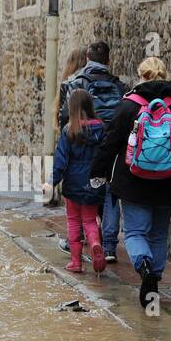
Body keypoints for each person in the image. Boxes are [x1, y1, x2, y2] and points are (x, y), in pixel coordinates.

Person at [89, 56, 171, 310]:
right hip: (168, 182)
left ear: (141, 76)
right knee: (159, 233)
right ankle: (156, 276)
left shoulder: (129, 106)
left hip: (133, 181)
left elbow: (110, 142)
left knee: (134, 232)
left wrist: (97, 172)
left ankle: (144, 269)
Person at [58, 41, 126, 262]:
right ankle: (108, 248)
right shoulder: (119, 85)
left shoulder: (74, 83)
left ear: (87, 58)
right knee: (110, 193)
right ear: (108, 60)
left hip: (82, 150)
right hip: (113, 147)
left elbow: (64, 119)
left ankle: (75, 243)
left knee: (79, 203)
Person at [48, 89, 108, 274]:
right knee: (90, 220)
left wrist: (52, 181)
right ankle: (95, 243)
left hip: (73, 182)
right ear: (90, 106)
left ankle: (76, 262)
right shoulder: (102, 129)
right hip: (95, 181)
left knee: (74, 221)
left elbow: (61, 159)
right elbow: (106, 155)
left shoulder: (69, 130)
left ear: (72, 108)